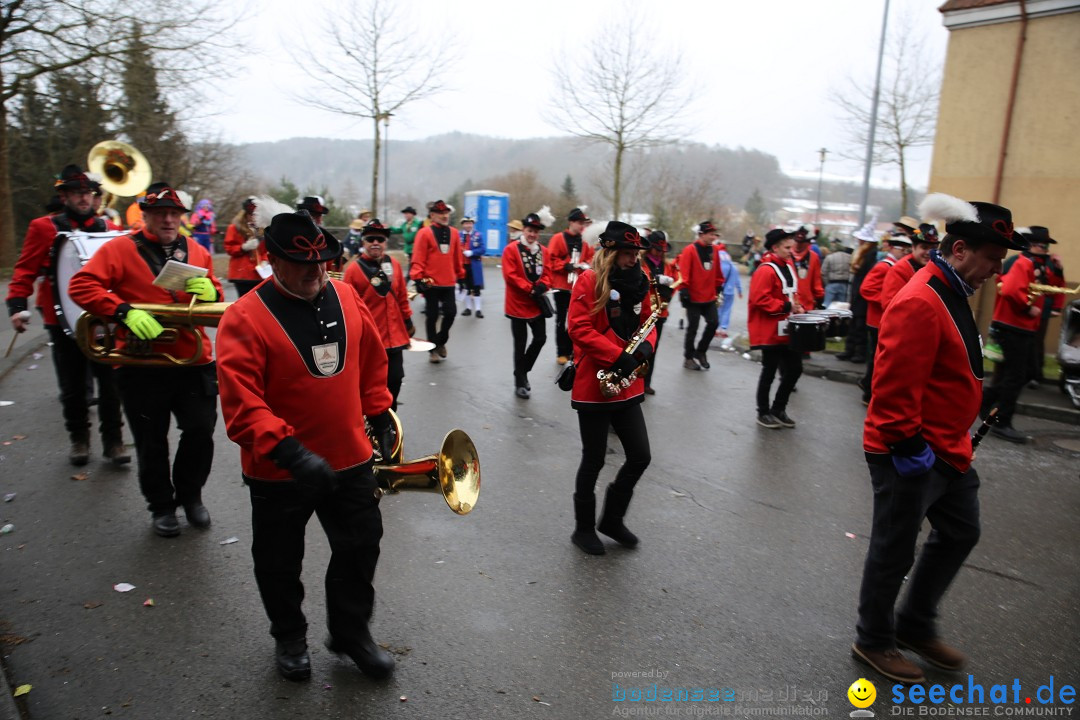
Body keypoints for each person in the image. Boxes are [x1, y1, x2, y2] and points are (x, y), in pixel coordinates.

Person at [215, 211, 396, 683]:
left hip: (349, 457)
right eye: (301, 263)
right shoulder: (244, 317)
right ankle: (290, 636)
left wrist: (378, 411)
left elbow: (372, 359)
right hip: (280, 469)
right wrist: (290, 452)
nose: (316, 272)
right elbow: (241, 402)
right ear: (271, 260)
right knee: (278, 562)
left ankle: (351, 632)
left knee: (361, 546)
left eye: (323, 261)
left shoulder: (346, 293)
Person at [853, 194, 1025, 684]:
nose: (996, 270)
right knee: (893, 548)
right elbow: (891, 389)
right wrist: (908, 449)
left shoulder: (949, 289)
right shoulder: (920, 298)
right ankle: (873, 639)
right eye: (992, 259)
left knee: (961, 532)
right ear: (960, 250)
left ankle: (913, 625)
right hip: (910, 450)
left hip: (948, 449)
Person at [68, 184, 223, 537]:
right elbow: (81, 286)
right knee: (151, 440)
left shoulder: (197, 249)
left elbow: (212, 287)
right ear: (147, 216)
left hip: (192, 358)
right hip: (141, 364)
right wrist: (123, 311)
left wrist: (211, 291)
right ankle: (162, 506)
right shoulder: (119, 248)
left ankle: (192, 496)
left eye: (174, 213)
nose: (168, 219)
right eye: (160, 213)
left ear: (182, 217)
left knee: (200, 431)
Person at [6, 164, 129, 466]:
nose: (84, 198)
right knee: (72, 386)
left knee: (111, 385)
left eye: (87, 193)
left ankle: (113, 442)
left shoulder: (109, 230)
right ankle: (79, 440)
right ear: (64, 196)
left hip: (103, 318)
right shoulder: (43, 227)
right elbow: (25, 269)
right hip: (60, 316)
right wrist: (17, 306)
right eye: (77, 193)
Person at [567, 221, 656, 555]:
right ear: (611, 252)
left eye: (636, 254)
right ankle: (583, 529)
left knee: (640, 456)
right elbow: (578, 329)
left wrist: (647, 347)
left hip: (628, 385)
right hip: (595, 383)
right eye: (628, 254)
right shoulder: (589, 280)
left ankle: (612, 520)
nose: (634, 259)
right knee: (593, 459)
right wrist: (617, 356)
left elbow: (650, 320)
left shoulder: (642, 281)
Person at [981, 225, 1057, 444]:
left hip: (1022, 328)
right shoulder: (1024, 262)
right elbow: (1012, 289)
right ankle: (1002, 422)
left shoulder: (1036, 265)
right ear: (1033, 246)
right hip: (1014, 327)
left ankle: (988, 400)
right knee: (1015, 376)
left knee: (1024, 372)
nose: (1046, 250)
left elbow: (1049, 285)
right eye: (1043, 246)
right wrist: (1027, 307)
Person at [343, 219, 414, 410]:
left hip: (396, 337)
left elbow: (401, 296)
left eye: (380, 239)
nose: (376, 243)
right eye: (371, 239)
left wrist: (408, 320)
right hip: (370, 339)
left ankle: (391, 418)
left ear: (386, 243)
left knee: (396, 378)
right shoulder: (353, 270)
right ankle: (374, 420)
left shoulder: (395, 265)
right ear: (363, 242)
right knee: (372, 385)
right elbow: (347, 308)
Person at [748, 229, 803, 429]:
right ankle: (762, 412)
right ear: (775, 248)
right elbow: (759, 299)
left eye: (792, 247)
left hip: (788, 328)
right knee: (769, 372)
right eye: (787, 248)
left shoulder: (788, 265)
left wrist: (799, 306)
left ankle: (778, 408)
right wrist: (786, 306)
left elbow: (794, 293)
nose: (791, 251)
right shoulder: (765, 270)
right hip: (770, 330)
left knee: (795, 369)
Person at [500, 213, 553, 398]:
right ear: (524, 230)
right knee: (520, 345)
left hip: (536, 304)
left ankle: (521, 371)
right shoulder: (511, 249)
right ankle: (519, 383)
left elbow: (548, 273)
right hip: (517, 304)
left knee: (540, 338)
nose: (532, 234)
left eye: (535, 232)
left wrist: (543, 285)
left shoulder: (544, 251)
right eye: (530, 230)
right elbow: (510, 275)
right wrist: (530, 289)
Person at [858, 231, 912, 404]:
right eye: (900, 249)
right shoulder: (884, 266)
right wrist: (886, 300)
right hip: (876, 319)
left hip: (884, 319)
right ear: (891, 248)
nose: (904, 252)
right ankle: (868, 390)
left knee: (879, 356)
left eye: (906, 249)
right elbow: (866, 289)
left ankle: (868, 385)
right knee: (877, 357)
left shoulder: (897, 266)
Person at [409, 199, 465, 363]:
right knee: (432, 316)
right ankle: (432, 350)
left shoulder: (454, 233)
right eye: (440, 213)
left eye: (446, 213)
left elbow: (457, 257)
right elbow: (418, 257)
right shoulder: (424, 233)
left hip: (448, 281)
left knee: (451, 313)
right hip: (430, 282)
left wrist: (461, 275)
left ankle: (440, 341)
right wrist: (417, 277)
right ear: (432, 215)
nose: (444, 216)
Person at [547, 207, 596, 364]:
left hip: (579, 286)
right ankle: (561, 352)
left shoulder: (586, 240)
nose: (582, 226)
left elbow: (591, 258)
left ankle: (572, 350)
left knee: (578, 321)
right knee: (561, 320)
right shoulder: (557, 238)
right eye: (579, 222)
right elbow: (550, 259)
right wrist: (565, 265)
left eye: (583, 223)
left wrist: (586, 265)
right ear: (571, 222)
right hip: (561, 286)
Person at [677, 221, 725, 370]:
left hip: (709, 296)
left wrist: (718, 286)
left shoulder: (715, 250)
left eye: (714, 234)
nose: (713, 237)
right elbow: (684, 271)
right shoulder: (690, 250)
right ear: (701, 235)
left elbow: (717, 271)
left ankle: (701, 351)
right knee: (693, 328)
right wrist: (684, 289)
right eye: (710, 234)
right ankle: (688, 357)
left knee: (713, 323)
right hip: (693, 297)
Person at [641, 230, 678, 395]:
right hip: (643, 311)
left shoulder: (668, 265)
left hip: (660, 312)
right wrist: (655, 281)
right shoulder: (641, 262)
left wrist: (669, 292)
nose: (660, 253)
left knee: (652, 349)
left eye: (662, 250)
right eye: (657, 249)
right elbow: (639, 281)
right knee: (638, 347)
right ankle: (634, 381)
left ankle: (646, 382)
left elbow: (675, 282)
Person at [837, 223, 880, 363]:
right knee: (854, 323)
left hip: (863, 295)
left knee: (860, 325)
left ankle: (859, 353)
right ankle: (850, 350)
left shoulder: (871, 255)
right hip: (857, 293)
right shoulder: (864, 253)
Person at [880, 223, 941, 311]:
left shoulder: (936, 267)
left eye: (933, 248)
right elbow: (889, 304)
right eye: (924, 247)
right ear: (913, 247)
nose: (929, 252)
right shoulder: (899, 269)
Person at [224, 196, 267, 298]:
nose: (254, 218)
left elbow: (266, 250)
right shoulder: (234, 228)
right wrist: (243, 247)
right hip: (242, 274)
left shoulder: (263, 229)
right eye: (251, 215)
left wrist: (265, 260)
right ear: (245, 214)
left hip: (259, 274)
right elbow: (229, 248)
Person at [791, 228, 825, 314]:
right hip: (788, 306)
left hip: (806, 307)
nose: (798, 245)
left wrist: (819, 299)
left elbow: (817, 285)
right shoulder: (785, 255)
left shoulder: (813, 257)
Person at [459, 217, 486, 317]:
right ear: (463, 225)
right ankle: (468, 308)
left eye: (470, 223)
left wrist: (472, 252)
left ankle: (478, 309)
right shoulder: (459, 235)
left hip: (474, 265)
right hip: (462, 265)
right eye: (466, 223)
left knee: (476, 287)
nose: (468, 225)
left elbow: (483, 249)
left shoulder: (478, 235)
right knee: (465, 287)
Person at [716, 241, 742, 338]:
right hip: (730, 291)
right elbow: (737, 280)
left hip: (720, 289)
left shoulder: (718, 257)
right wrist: (740, 291)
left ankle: (716, 328)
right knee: (727, 310)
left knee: (719, 309)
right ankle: (724, 329)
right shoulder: (732, 266)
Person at [821, 240, 853, 307]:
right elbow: (852, 272)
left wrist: (827, 283)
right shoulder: (849, 257)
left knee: (827, 304)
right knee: (842, 306)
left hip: (832, 283)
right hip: (844, 284)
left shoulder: (829, 257)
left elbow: (823, 272)